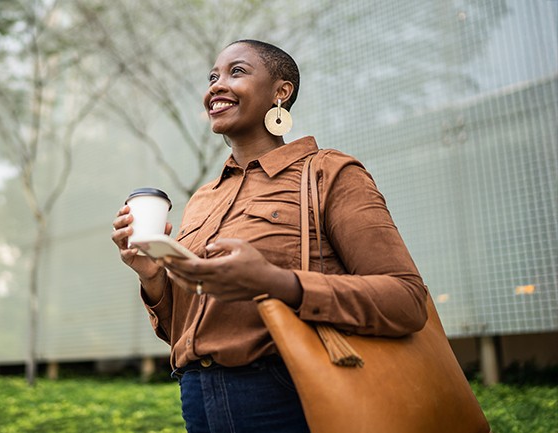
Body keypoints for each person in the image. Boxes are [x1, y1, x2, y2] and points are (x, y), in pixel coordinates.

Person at [111, 39, 428, 433]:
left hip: (285, 389)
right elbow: (187, 328)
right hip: (196, 396)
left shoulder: (329, 173)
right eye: (212, 77)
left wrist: (275, 282)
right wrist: (151, 275)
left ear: (281, 92)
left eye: (236, 72)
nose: (215, 86)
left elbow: (408, 300)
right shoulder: (202, 200)